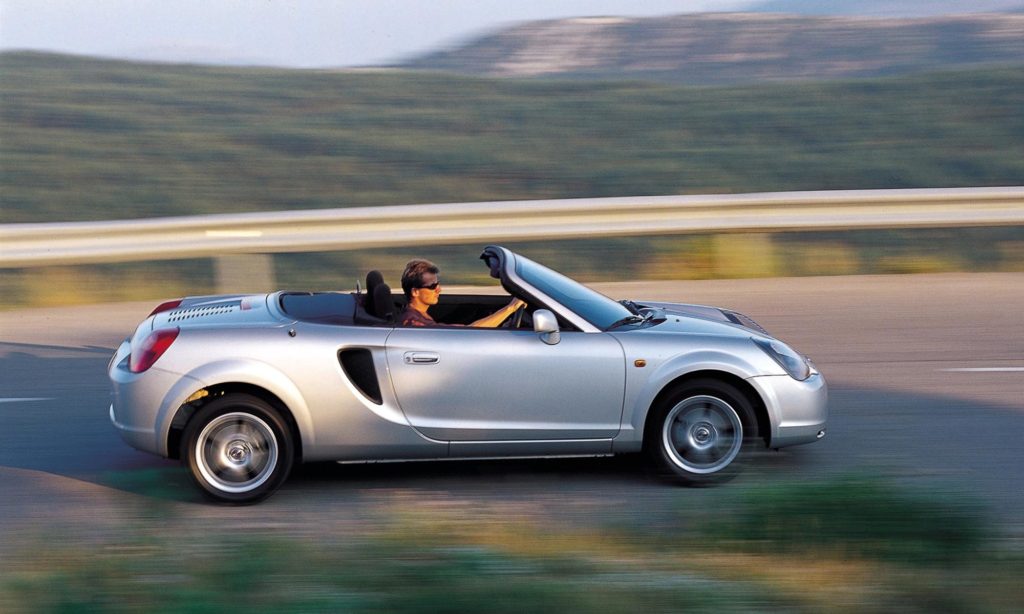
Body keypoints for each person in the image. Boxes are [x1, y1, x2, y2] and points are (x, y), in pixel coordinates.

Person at [399, 259, 525, 328]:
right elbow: (469, 333)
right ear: (415, 292)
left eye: (437, 284)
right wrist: (511, 308)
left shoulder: (419, 314)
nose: (439, 289)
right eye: (432, 286)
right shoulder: (414, 323)